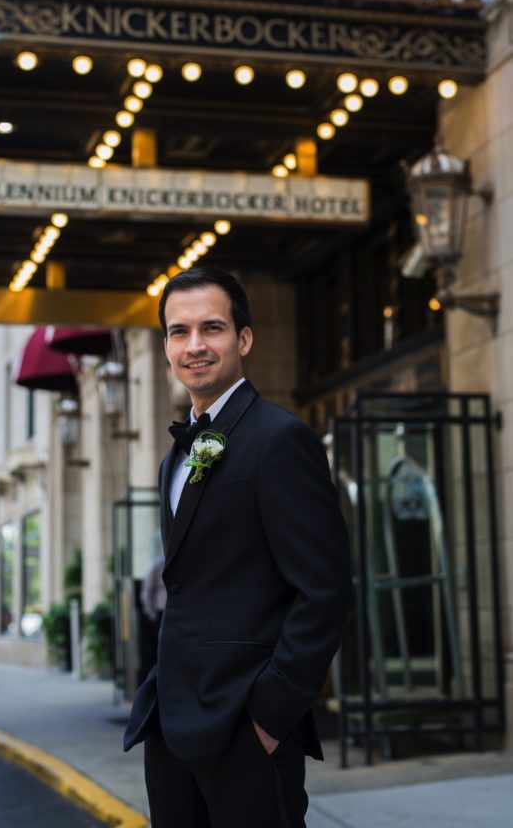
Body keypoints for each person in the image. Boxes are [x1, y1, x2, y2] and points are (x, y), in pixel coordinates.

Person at [123, 267, 352, 828]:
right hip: (172, 722)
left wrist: (270, 715)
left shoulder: (280, 439)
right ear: (167, 347)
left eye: (212, 328)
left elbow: (324, 591)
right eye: (179, 332)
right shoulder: (175, 458)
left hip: (245, 728)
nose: (194, 345)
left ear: (243, 339)